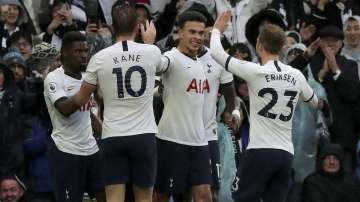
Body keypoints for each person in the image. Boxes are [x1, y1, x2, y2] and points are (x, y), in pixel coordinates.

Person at [53, 1, 165, 202]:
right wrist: (149, 43)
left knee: (113, 198)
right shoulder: (152, 52)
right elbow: (159, 68)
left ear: (112, 26)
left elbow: (79, 100)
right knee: (144, 199)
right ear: (137, 26)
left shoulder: (99, 58)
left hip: (113, 136)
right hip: (144, 136)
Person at [210, 12, 319, 202]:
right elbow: (314, 102)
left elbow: (217, 54)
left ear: (259, 46)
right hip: (286, 154)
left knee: (242, 198)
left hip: (260, 151)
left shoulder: (255, 71)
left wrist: (217, 30)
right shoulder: (296, 75)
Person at [154, 11, 212, 202]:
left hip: (199, 142)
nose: (197, 37)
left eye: (201, 33)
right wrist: (149, 46)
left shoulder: (200, 62)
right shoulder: (172, 57)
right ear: (180, 33)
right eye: (192, 32)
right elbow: (159, 65)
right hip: (172, 141)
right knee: (160, 196)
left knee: (204, 196)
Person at [43, 31, 105, 202]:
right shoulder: (54, 78)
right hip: (66, 151)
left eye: (85, 51)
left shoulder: (86, 78)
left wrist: (108, 134)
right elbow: (65, 108)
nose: (83, 55)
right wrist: (87, 88)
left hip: (92, 149)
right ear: (64, 52)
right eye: (78, 51)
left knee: (106, 195)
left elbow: (89, 115)